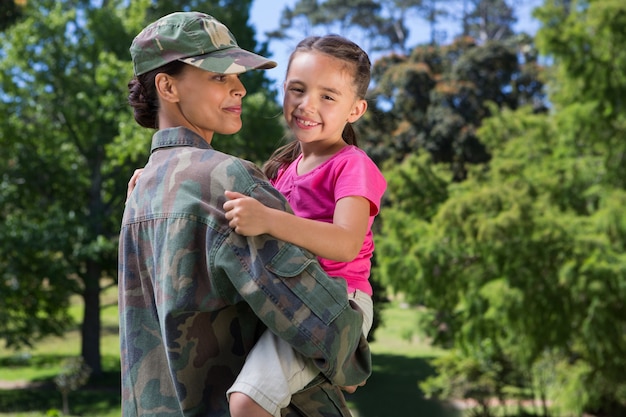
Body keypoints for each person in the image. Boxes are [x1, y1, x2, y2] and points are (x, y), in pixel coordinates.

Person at [118, 11, 371, 417]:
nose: (239, 89)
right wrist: (351, 356)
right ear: (167, 86)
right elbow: (314, 315)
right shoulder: (225, 178)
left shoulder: (140, 192)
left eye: (238, 76)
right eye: (219, 77)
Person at [222, 35, 387, 417]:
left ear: (355, 109)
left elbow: (346, 243)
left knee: (247, 403)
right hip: (288, 295)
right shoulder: (281, 169)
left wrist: (268, 219)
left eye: (328, 96)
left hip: (336, 301)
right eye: (297, 89)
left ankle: (344, 351)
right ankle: (336, 364)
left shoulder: (352, 165)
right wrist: (159, 175)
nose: (306, 104)